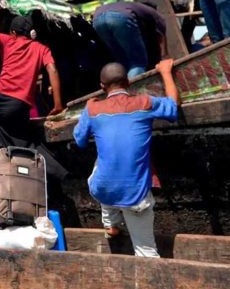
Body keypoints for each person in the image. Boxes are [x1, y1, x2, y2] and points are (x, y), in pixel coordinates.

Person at [73, 60, 180, 257]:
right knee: (146, 252)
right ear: (128, 83)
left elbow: (79, 140)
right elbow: (173, 107)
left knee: (102, 167)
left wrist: (87, 110)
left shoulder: (92, 109)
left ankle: (111, 224)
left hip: (103, 189)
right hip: (135, 195)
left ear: (102, 87)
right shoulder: (145, 102)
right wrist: (165, 72)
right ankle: (113, 224)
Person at [0, 16, 63, 150]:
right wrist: (58, 105)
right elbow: (53, 70)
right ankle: (42, 161)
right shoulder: (42, 49)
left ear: (14, 33)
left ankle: (15, 156)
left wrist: (0, 34)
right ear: (32, 33)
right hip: (16, 104)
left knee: (10, 136)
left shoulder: (8, 40)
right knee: (26, 142)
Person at [92, 1, 168, 79]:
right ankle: (134, 86)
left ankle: (121, 83)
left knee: (123, 63)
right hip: (120, 17)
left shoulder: (131, 6)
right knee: (137, 63)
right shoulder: (153, 13)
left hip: (97, 19)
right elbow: (161, 36)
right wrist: (164, 58)